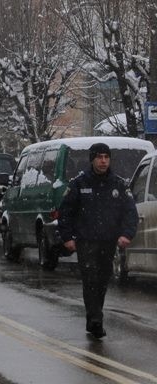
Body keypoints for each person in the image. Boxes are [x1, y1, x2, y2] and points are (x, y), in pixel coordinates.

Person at [58, 142, 137, 339]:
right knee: (90, 278)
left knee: (102, 280)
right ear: (92, 159)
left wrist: (126, 234)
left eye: (106, 157)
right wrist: (67, 237)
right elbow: (66, 211)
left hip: (109, 241)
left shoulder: (118, 184)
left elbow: (130, 212)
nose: (103, 161)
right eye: (99, 157)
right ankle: (95, 319)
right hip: (86, 241)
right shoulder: (79, 183)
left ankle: (94, 316)